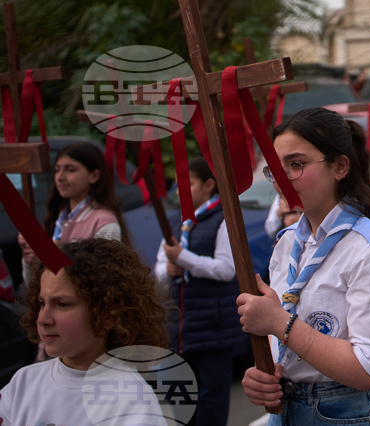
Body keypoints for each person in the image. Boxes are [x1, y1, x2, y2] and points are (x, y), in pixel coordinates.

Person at [237, 108, 370, 423]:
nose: (283, 178)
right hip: (289, 406)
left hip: (350, 410)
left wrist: (280, 324)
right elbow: (286, 345)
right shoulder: (288, 241)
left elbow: (365, 370)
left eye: (297, 164)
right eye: (276, 168)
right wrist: (264, 374)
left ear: (340, 167)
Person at [0, 238, 169, 424]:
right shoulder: (24, 382)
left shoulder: (131, 401)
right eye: (42, 303)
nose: (43, 319)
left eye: (63, 304)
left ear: (108, 315)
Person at [154, 157, 243, 426]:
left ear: (208, 185)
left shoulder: (223, 218)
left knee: (211, 396)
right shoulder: (176, 221)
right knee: (181, 395)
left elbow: (227, 269)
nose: (181, 190)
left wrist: (184, 258)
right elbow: (160, 264)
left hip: (212, 323)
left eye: (188, 183)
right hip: (181, 323)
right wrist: (167, 269)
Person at [18, 142, 128, 286]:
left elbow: (103, 281)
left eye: (70, 170)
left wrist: (46, 259)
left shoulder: (103, 222)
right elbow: (32, 283)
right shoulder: (57, 218)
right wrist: (31, 260)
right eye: (57, 170)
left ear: (94, 176)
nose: (60, 177)